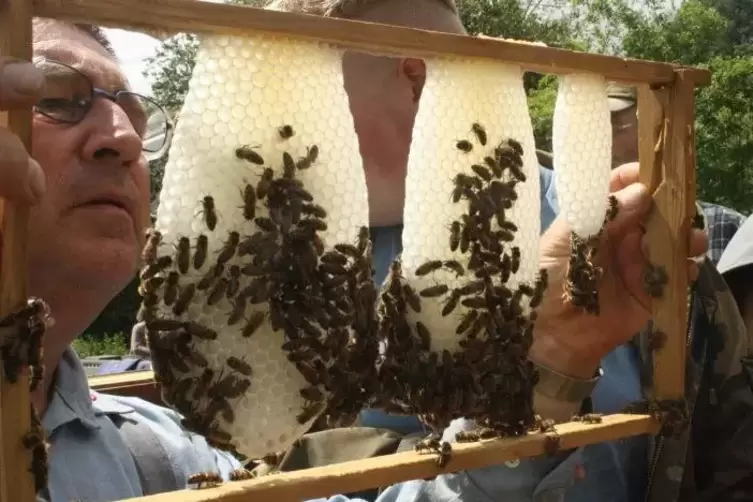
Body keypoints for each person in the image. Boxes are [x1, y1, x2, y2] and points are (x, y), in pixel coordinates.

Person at [0, 9, 714, 502]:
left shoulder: (159, 460)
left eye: (132, 111)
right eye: (60, 97)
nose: (120, 136)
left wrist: (553, 350)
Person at [263, 1, 753, 502]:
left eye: (305, 111)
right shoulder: (268, 278)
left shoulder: (631, 238)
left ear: (418, 82)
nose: (286, 148)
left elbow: (730, 454)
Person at [605, 82, 746, 265]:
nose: (602, 140)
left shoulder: (729, 232)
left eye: (615, 127)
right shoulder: (587, 240)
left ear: (661, 127)